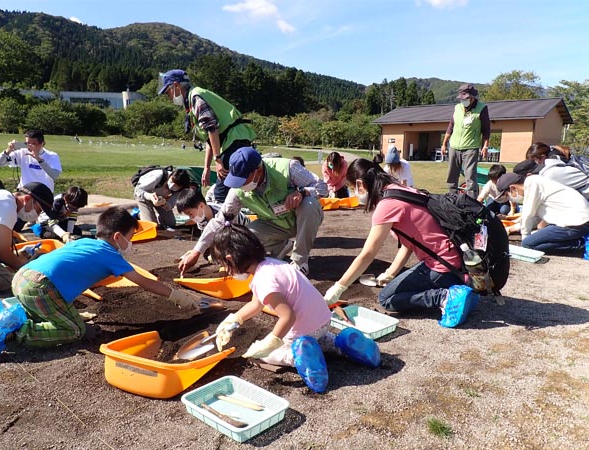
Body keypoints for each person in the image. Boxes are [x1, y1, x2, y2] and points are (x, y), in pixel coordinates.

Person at [0, 207, 197, 358]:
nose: (131, 243)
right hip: (41, 286)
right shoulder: (111, 254)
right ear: (118, 237)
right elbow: (145, 282)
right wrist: (177, 296)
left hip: (23, 276)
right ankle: (16, 331)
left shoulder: (84, 243)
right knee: (73, 330)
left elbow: (72, 270)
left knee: (57, 312)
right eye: (130, 237)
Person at [210, 223, 380, 393]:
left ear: (231, 259)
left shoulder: (263, 281)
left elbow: (287, 317)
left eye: (224, 266)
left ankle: (298, 356)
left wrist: (270, 342)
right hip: (323, 320)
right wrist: (234, 319)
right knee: (319, 338)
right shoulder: (272, 264)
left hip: (303, 331)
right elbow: (256, 304)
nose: (226, 270)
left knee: (268, 354)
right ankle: (341, 342)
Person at [324, 158, 479, 328]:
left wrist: (338, 288)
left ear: (361, 185)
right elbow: (409, 243)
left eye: (353, 189)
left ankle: (444, 297)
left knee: (387, 299)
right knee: (398, 286)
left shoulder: (386, 205)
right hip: (456, 260)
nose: (354, 194)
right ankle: (459, 287)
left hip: (441, 265)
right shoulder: (402, 190)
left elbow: (367, 254)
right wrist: (390, 273)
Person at [177, 147, 327, 277]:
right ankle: (281, 246)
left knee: (309, 204)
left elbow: (322, 187)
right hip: (273, 224)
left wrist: (302, 192)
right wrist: (196, 251)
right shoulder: (237, 191)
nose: (240, 184)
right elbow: (220, 220)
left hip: (301, 218)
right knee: (242, 241)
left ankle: (300, 263)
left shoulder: (288, 168)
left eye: (243, 179)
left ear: (258, 171)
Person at [158, 69, 256, 203]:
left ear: (176, 86)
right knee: (227, 191)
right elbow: (209, 138)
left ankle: (228, 221)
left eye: (168, 91)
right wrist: (207, 167)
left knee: (222, 193)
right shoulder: (193, 99)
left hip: (234, 141)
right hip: (231, 141)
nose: (168, 96)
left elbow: (212, 129)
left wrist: (218, 160)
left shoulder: (196, 98)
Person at [496, 172, 589, 256]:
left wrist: (525, 237)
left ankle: (582, 246)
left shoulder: (532, 185)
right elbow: (535, 217)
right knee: (532, 241)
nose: (510, 198)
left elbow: (528, 215)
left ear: (513, 188)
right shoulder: (535, 181)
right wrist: (511, 229)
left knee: (529, 244)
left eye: (508, 194)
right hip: (581, 219)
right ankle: (580, 240)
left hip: (578, 223)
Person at [442, 83, 490, 198]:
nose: (463, 101)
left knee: (470, 176)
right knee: (452, 174)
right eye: (461, 98)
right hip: (454, 146)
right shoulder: (457, 108)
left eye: (466, 98)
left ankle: (471, 202)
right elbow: (450, 127)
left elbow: (486, 130)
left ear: (472, 97)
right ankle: (451, 198)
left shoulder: (482, 108)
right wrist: (444, 144)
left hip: (471, 147)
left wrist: (485, 146)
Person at [522, 142, 589, 209]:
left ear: (543, 157)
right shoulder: (561, 160)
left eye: (534, 161)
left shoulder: (552, 171)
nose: (535, 164)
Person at [0, 129, 62, 193]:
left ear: (43, 144)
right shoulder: (21, 152)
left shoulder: (52, 156)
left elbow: (54, 175)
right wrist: (8, 150)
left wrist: (38, 159)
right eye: (27, 143)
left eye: (33, 144)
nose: (30, 146)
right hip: (24, 191)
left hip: (43, 194)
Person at [175, 186, 249, 232]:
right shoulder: (201, 220)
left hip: (245, 229)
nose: (191, 218)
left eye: (190, 214)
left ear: (201, 206)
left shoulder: (223, 213)